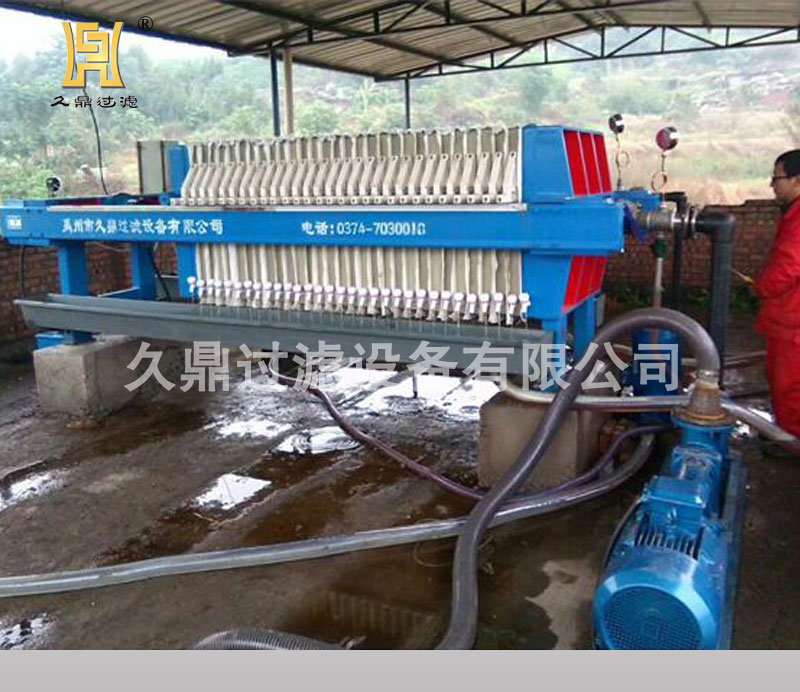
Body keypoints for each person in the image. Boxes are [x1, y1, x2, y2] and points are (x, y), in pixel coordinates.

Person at [754, 149, 800, 455]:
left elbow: (788, 266)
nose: (773, 185)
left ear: (797, 180)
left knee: (790, 385)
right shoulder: (793, 215)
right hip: (789, 315)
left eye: (777, 178)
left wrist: (761, 287)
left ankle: (790, 441)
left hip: (793, 319)